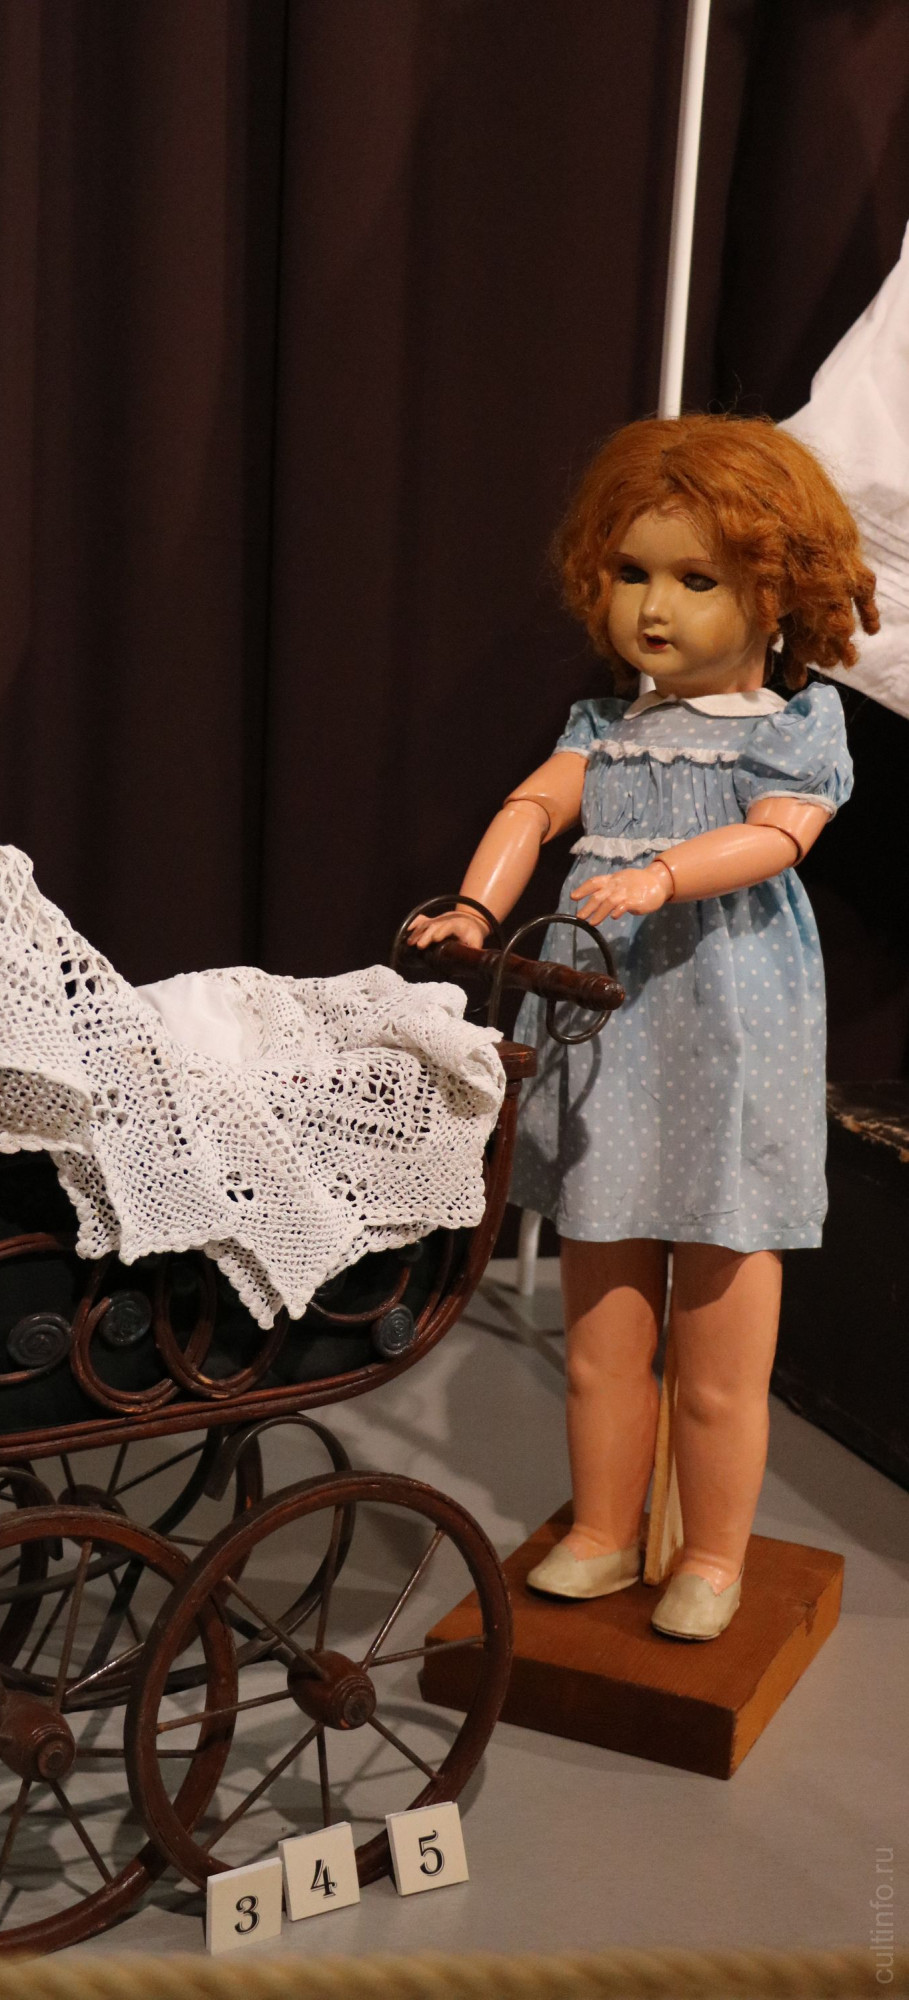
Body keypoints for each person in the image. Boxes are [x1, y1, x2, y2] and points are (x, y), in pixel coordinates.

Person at [410, 415, 878, 1639]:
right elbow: (529, 810)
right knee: (600, 1335)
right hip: (605, 1041)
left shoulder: (792, 730)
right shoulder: (599, 730)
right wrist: (474, 907)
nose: (653, 608)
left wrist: (664, 873)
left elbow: (778, 836)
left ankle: (712, 1553)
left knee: (719, 1353)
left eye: (694, 579)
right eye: (630, 573)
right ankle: (605, 1527)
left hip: (729, 1037)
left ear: (777, 590)